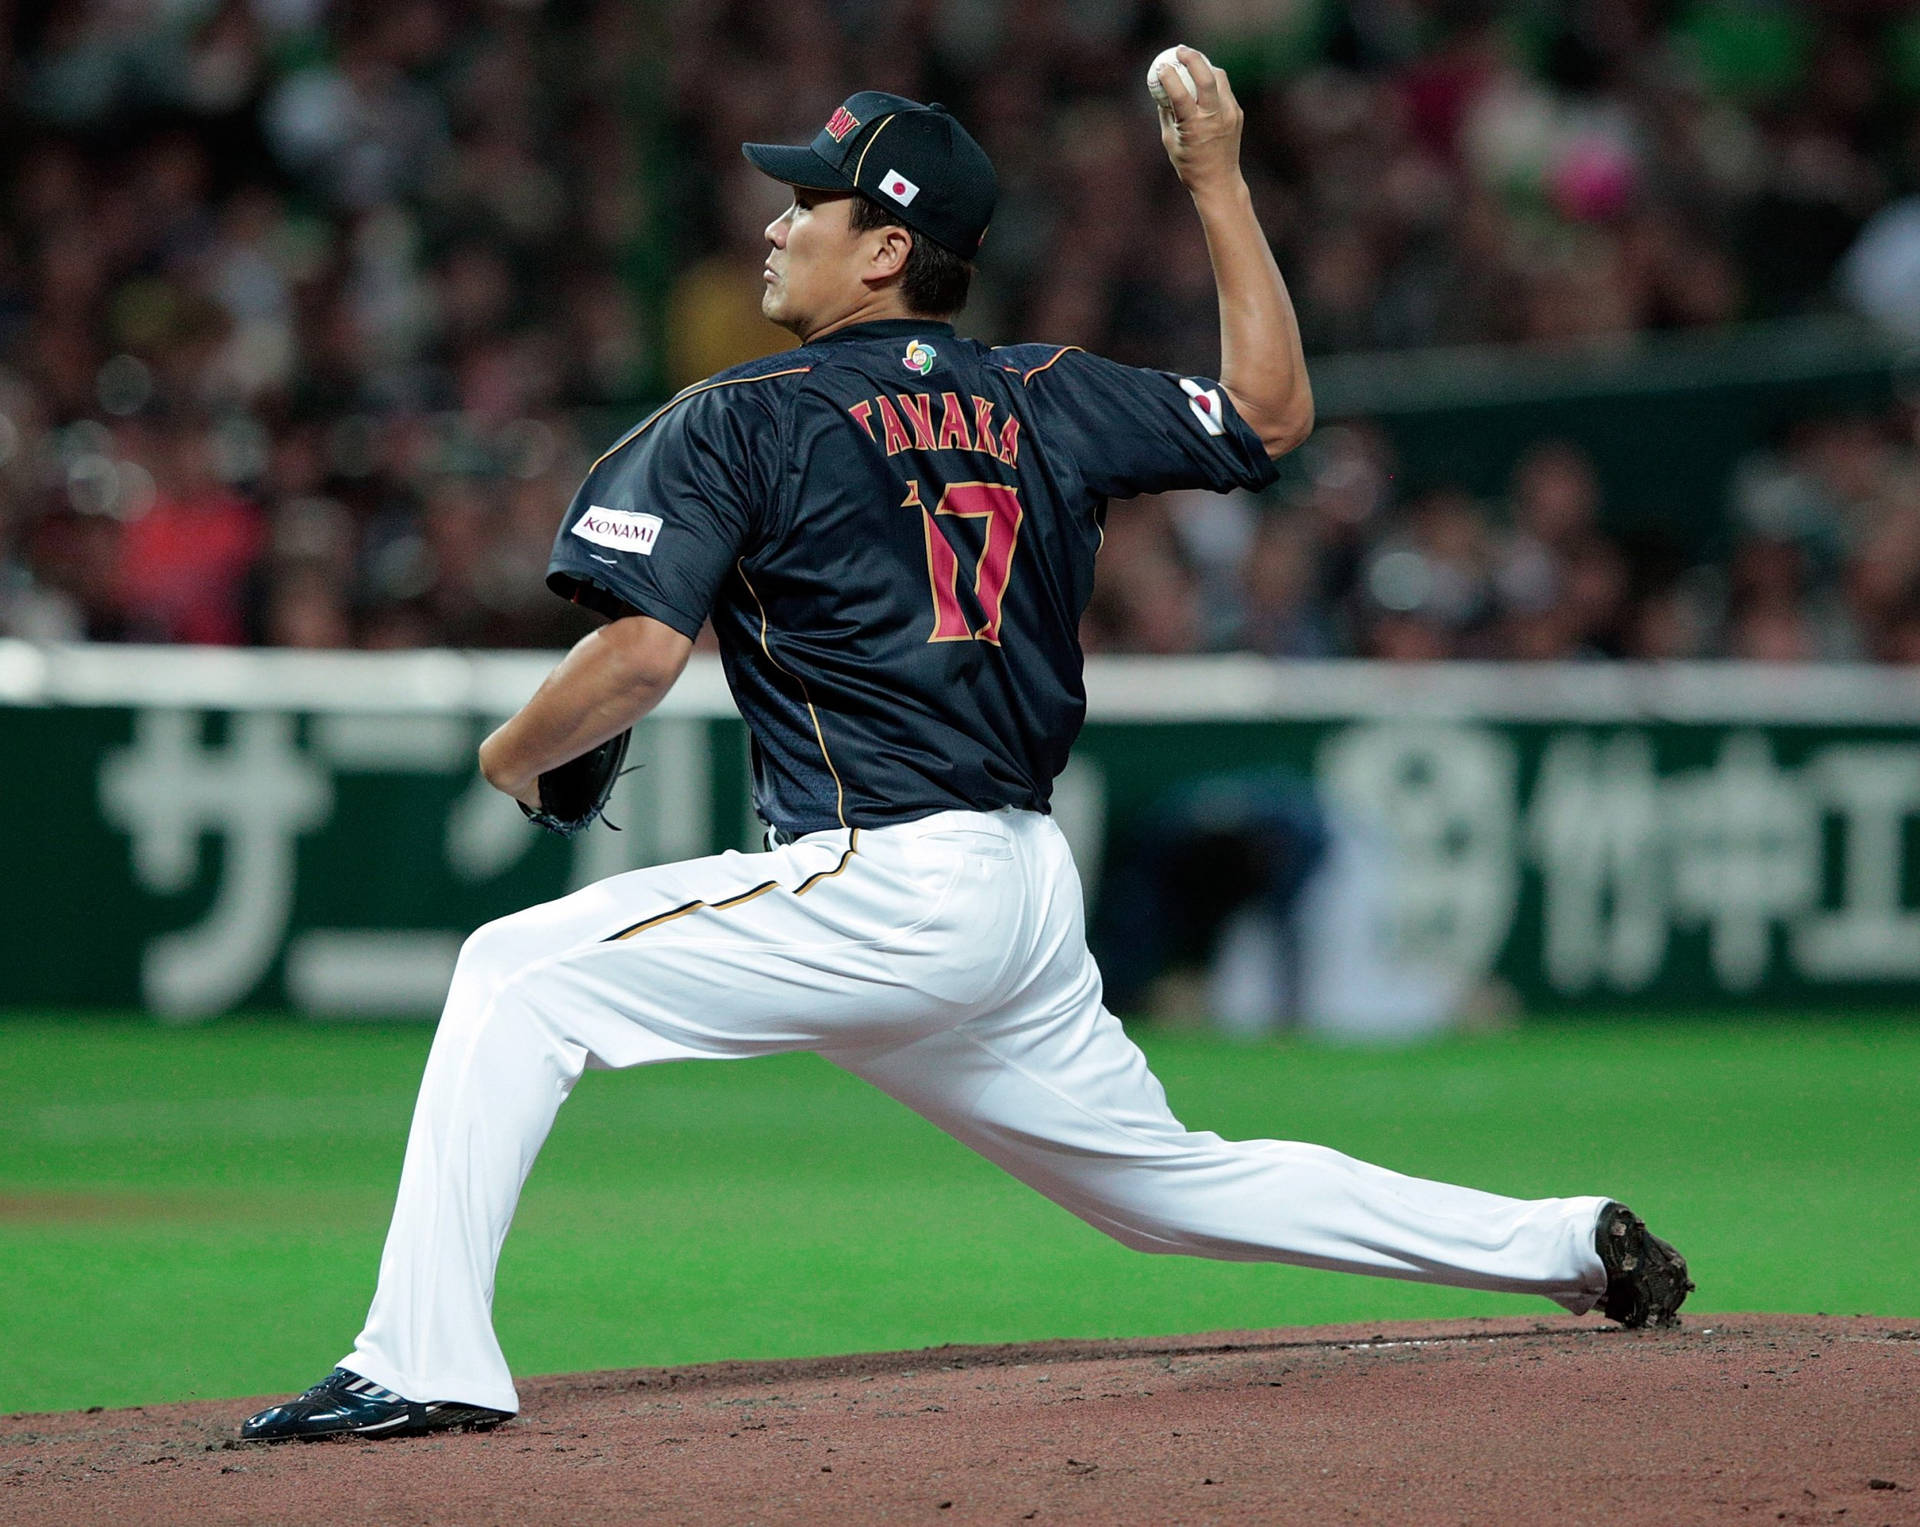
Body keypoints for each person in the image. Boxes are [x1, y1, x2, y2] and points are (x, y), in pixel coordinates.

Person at [240, 53, 1689, 1443]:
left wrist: (508, 751)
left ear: (884, 251)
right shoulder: (1040, 393)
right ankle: (1558, 1240)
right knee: (1165, 1188)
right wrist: (1221, 181)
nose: (773, 220)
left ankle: (419, 1360)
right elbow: (1272, 413)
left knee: (515, 974)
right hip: (1016, 892)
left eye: (808, 201)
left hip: (879, 877)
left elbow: (633, 656)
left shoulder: (742, 417)